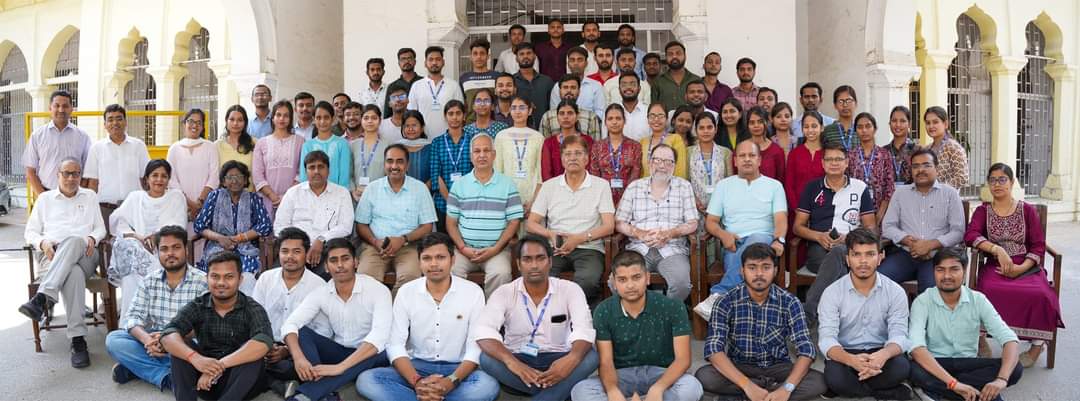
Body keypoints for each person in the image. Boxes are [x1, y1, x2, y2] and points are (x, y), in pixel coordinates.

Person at [357, 232, 500, 401]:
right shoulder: (406, 292)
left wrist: (450, 382)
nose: (434, 264)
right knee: (368, 380)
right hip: (416, 366)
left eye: (440, 257)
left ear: (452, 260)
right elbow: (395, 344)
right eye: (427, 258)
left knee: (487, 385)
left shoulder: (473, 292)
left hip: (458, 368)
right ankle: (429, 394)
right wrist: (417, 381)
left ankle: (426, 396)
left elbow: (475, 348)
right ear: (419, 262)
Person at [474, 235, 600, 401]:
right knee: (486, 358)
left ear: (550, 262)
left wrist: (571, 359)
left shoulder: (570, 289)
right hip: (519, 359)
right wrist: (512, 363)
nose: (534, 265)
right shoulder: (504, 292)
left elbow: (583, 329)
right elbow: (484, 331)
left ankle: (546, 392)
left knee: (590, 356)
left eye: (540, 258)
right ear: (518, 264)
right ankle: (558, 392)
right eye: (527, 259)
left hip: (559, 358)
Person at [694, 243, 826, 400]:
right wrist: (746, 384)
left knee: (819, 381)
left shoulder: (790, 302)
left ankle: (761, 394)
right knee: (705, 376)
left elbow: (806, 350)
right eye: (752, 267)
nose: (759, 274)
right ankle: (761, 392)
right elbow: (714, 350)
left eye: (766, 267)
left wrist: (787, 388)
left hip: (778, 367)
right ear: (742, 271)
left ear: (775, 270)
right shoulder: (726, 301)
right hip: (741, 366)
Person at [965, 163, 1064, 368]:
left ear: (1012, 182)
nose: (997, 184)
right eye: (993, 180)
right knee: (988, 291)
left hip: (1026, 265)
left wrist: (1022, 268)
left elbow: (1038, 245)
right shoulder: (983, 211)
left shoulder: (1026, 210)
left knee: (1041, 294)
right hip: (996, 265)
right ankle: (981, 337)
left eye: (1003, 179)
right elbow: (971, 235)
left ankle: (1037, 346)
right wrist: (997, 250)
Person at [570, 251, 703, 401]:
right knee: (581, 391)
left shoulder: (673, 307)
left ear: (647, 278)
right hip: (620, 375)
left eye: (636, 277)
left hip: (662, 373)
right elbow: (606, 361)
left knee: (691, 387)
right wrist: (613, 391)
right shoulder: (604, 310)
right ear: (614, 282)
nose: (630, 285)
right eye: (622, 279)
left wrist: (658, 388)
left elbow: (683, 360)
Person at [279, 238, 392, 401]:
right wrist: (298, 358)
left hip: (373, 355)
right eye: (333, 260)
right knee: (302, 333)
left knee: (381, 351)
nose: (340, 265)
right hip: (341, 352)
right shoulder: (322, 292)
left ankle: (307, 395)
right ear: (326, 266)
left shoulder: (377, 290)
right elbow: (290, 324)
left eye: (345, 259)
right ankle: (325, 393)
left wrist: (340, 368)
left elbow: (379, 339)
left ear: (356, 262)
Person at [18, 158, 105, 368]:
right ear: (58, 175)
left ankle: (43, 297)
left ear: (80, 176)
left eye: (76, 173)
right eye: (66, 173)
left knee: (75, 241)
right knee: (72, 273)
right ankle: (77, 340)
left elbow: (100, 228)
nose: (71, 178)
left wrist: (93, 238)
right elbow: (30, 232)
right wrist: (43, 242)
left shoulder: (90, 196)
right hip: (52, 256)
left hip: (85, 253)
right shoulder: (45, 199)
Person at [908, 247, 1024, 401]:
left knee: (1015, 369)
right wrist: (954, 384)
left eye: (954, 269)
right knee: (913, 370)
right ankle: (974, 392)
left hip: (968, 361)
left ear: (964, 271)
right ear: (934, 272)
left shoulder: (978, 299)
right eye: (940, 270)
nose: (947, 276)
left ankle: (938, 392)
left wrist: (1000, 380)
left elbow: (1009, 339)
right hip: (936, 362)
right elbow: (916, 348)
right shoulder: (923, 301)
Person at [160, 251, 273, 401]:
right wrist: (196, 359)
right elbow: (168, 334)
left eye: (229, 277)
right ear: (207, 278)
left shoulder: (252, 308)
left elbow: (264, 342)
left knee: (254, 356)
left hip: (239, 381)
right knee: (182, 345)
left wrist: (217, 367)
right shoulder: (198, 305)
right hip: (203, 379)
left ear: (240, 279)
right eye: (215, 276)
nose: (221, 282)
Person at [106, 225, 207, 391]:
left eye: (176, 248)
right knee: (114, 340)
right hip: (155, 342)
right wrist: (148, 340)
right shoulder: (149, 281)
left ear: (186, 250)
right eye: (164, 249)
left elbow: (206, 325)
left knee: (205, 350)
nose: (170, 254)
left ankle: (137, 368)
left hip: (186, 343)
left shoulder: (202, 281)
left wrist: (170, 339)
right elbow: (132, 317)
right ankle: (167, 377)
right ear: (157, 253)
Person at [817, 228, 913, 400]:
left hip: (880, 352)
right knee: (834, 374)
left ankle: (851, 390)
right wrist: (850, 360)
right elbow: (826, 339)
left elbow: (900, 335)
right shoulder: (832, 293)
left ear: (880, 257)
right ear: (847, 259)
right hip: (846, 353)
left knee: (901, 366)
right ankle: (883, 392)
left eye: (870, 254)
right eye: (856, 255)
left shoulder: (895, 291)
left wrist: (883, 355)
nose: (863, 261)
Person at [528, 134, 615, 304]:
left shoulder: (601, 185)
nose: (572, 158)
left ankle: (578, 318)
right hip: (556, 247)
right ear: (562, 159)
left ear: (587, 158)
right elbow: (531, 223)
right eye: (568, 154)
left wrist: (579, 238)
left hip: (588, 247)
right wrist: (550, 234)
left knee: (587, 282)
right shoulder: (549, 186)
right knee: (542, 278)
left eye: (578, 153)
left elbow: (609, 226)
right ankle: (552, 319)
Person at [250, 227, 329, 397]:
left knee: (304, 366)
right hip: (265, 345)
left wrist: (287, 349)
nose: (290, 257)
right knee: (245, 356)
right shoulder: (266, 278)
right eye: (285, 251)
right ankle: (276, 383)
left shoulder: (319, 285)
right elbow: (254, 317)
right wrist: (266, 346)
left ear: (306, 253)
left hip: (299, 350)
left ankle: (268, 379)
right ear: (279, 253)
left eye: (296, 251)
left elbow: (323, 330)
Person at [615, 144, 699, 301]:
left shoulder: (684, 186)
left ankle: (664, 318)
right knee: (616, 282)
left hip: (672, 248)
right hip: (639, 248)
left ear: (674, 165)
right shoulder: (634, 187)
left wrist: (669, 234)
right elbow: (619, 222)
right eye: (658, 160)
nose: (662, 166)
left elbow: (693, 222)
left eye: (668, 162)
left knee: (681, 284)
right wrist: (639, 233)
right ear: (649, 162)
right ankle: (638, 317)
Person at [705, 140, 788, 294]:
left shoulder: (774, 186)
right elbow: (710, 222)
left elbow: (781, 220)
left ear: (759, 160)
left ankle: (718, 295)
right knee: (736, 264)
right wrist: (723, 235)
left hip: (763, 242)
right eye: (742, 156)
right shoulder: (724, 185)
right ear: (735, 161)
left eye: (752, 155)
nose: (747, 159)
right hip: (733, 244)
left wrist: (778, 240)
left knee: (755, 239)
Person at [108, 160, 188, 316]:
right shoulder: (135, 197)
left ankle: (158, 319)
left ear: (168, 179)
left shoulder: (176, 197)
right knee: (132, 263)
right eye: (155, 175)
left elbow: (179, 226)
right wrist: (137, 236)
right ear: (146, 178)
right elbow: (117, 221)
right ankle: (131, 321)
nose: (159, 180)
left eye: (164, 176)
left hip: (165, 248)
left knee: (149, 261)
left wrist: (158, 236)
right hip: (137, 248)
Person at [879, 148, 966, 293]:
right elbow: (888, 227)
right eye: (916, 166)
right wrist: (911, 242)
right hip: (906, 254)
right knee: (878, 280)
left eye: (926, 165)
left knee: (931, 292)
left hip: (938, 257)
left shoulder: (950, 194)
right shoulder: (900, 193)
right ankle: (897, 315)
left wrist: (930, 245)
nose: (921, 170)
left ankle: (923, 316)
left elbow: (958, 232)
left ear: (937, 168)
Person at [447, 134, 523, 296]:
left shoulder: (507, 184)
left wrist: (495, 248)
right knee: (450, 271)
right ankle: (462, 316)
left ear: (494, 155)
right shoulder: (459, 185)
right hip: (464, 251)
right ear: (471, 156)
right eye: (477, 151)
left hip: (497, 251)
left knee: (501, 273)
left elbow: (514, 222)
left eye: (486, 150)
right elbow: (451, 223)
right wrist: (462, 247)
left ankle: (492, 317)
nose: (482, 155)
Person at [355, 144, 437, 293]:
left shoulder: (420, 189)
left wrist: (403, 239)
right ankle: (379, 314)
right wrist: (375, 241)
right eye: (390, 161)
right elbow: (361, 224)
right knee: (365, 280)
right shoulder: (372, 189)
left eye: (399, 161)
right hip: (375, 247)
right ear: (385, 163)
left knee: (411, 279)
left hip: (409, 247)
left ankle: (396, 314)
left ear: (407, 165)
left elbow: (427, 226)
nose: (394, 166)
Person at [792, 141, 877, 276]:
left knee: (842, 262)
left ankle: (816, 297)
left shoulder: (860, 187)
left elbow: (871, 227)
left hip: (851, 245)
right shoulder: (811, 188)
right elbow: (797, 226)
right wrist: (819, 236)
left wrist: (849, 238)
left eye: (838, 159)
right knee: (833, 264)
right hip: (819, 246)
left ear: (847, 162)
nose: (834, 163)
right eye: (829, 159)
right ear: (823, 163)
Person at [193, 161, 272, 293]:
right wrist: (220, 238)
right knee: (217, 270)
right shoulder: (214, 196)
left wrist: (240, 238)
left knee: (246, 276)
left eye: (239, 177)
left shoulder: (253, 198)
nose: (234, 181)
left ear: (245, 180)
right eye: (230, 177)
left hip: (245, 248)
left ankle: (244, 307)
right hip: (218, 247)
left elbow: (265, 225)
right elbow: (199, 225)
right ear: (224, 181)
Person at [274, 151, 355, 271]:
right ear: (305, 171)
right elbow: (280, 226)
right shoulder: (293, 193)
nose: (316, 171)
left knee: (324, 280)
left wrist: (321, 240)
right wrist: (300, 246)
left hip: (328, 249)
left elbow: (346, 226)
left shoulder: (342, 193)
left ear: (328, 170)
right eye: (312, 167)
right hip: (295, 249)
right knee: (277, 278)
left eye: (321, 167)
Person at [84, 104, 150, 234]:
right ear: (105, 124)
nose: (115, 123)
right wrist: (91, 210)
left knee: (135, 243)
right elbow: (93, 183)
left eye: (119, 118)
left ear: (125, 122)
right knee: (106, 247)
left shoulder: (138, 146)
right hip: (105, 208)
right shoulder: (96, 148)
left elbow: (146, 179)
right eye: (110, 119)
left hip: (133, 208)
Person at [23, 90, 91, 197]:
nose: (61, 109)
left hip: (74, 196)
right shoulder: (37, 136)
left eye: (65, 106)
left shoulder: (83, 137)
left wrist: (78, 194)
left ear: (71, 109)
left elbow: (88, 170)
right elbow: (30, 171)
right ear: (50, 108)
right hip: (46, 193)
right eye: (57, 105)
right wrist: (42, 196)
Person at [493, 97, 545, 219]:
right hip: (507, 198)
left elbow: (540, 175)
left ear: (530, 111)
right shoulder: (501, 136)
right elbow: (497, 171)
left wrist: (533, 203)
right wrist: (507, 202)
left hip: (532, 199)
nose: (518, 111)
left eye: (522, 107)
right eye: (514, 108)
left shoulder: (538, 137)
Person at [253, 100, 306, 218]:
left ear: (291, 119)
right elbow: (257, 175)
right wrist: (272, 196)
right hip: (266, 200)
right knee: (267, 233)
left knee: (290, 234)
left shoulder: (300, 141)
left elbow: (301, 172)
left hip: (293, 199)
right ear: (272, 118)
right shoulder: (261, 143)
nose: (282, 119)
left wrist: (286, 197)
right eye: (278, 115)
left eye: (286, 115)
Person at [167, 108, 219, 222]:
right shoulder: (174, 148)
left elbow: (214, 176)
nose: (194, 125)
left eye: (198, 122)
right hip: (180, 203)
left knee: (202, 235)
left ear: (202, 126)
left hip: (206, 203)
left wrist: (200, 202)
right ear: (184, 123)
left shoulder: (210, 147)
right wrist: (190, 204)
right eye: (191, 121)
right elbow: (171, 179)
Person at [428, 100, 472, 231]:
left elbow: (475, 172)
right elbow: (436, 175)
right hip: (443, 203)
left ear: (464, 116)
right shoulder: (437, 142)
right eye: (450, 113)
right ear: (445, 116)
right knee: (443, 242)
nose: (454, 117)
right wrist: (451, 202)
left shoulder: (473, 139)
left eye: (458, 113)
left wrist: (462, 201)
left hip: (468, 201)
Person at [588, 104, 643, 206]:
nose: (614, 122)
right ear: (605, 122)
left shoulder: (635, 146)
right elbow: (594, 176)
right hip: (602, 198)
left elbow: (635, 175)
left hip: (629, 199)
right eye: (610, 119)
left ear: (624, 121)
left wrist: (625, 200)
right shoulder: (597, 146)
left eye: (618, 118)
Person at [408, 46, 465, 139]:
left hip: (448, 139)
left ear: (443, 62)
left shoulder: (453, 85)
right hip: (422, 139)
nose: (434, 62)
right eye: (431, 59)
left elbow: (460, 114)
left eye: (438, 59)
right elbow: (411, 116)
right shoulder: (416, 86)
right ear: (425, 63)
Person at [848, 112, 895, 224]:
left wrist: (880, 215)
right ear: (855, 131)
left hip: (881, 211)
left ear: (875, 129)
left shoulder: (884, 154)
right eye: (860, 127)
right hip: (855, 211)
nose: (864, 130)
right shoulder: (850, 155)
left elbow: (889, 188)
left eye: (868, 126)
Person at [785, 111, 826, 231]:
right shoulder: (794, 154)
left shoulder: (827, 154)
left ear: (822, 127)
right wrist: (797, 209)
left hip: (822, 211)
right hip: (797, 211)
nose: (810, 130)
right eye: (806, 126)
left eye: (814, 126)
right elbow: (789, 184)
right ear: (802, 129)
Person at [688, 113, 733, 219]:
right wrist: (695, 200)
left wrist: (717, 205)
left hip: (721, 208)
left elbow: (730, 182)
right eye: (701, 128)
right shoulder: (688, 152)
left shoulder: (726, 152)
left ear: (715, 129)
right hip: (694, 207)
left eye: (709, 127)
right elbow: (685, 181)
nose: (706, 131)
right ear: (696, 130)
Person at [299, 101, 352, 188]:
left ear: (333, 118)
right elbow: (304, 177)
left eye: (326, 117)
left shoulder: (342, 144)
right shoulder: (307, 146)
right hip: (312, 196)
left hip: (336, 195)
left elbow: (344, 177)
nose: (322, 121)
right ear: (314, 119)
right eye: (318, 118)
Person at [540, 100, 597, 181]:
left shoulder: (587, 141)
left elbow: (590, 168)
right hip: (555, 189)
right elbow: (546, 173)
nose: (565, 117)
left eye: (570, 113)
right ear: (557, 117)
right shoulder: (549, 143)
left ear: (577, 116)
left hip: (583, 187)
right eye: (562, 113)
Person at [549, 47, 606, 119]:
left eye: (580, 60)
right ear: (568, 63)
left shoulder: (595, 86)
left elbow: (600, 113)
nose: (576, 63)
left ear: (586, 63)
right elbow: (554, 112)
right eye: (572, 60)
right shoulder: (558, 86)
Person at [540, 75, 602, 140]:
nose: (569, 90)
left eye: (573, 87)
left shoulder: (591, 117)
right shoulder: (547, 117)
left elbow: (595, 146)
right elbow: (544, 146)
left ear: (579, 92)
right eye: (565, 87)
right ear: (559, 91)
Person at [349, 104, 388, 201]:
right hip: (357, 196)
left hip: (380, 196)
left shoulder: (387, 146)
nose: (370, 121)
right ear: (361, 121)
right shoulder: (352, 145)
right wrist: (354, 190)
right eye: (366, 118)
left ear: (380, 121)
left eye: (374, 118)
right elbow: (349, 173)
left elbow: (389, 174)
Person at [513, 42, 556, 129]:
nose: (525, 56)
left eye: (529, 53)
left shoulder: (547, 81)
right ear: (516, 59)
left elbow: (552, 108)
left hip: (544, 129)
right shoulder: (511, 81)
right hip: (518, 129)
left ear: (535, 56)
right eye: (521, 54)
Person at [925, 106, 970, 190]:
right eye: (928, 123)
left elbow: (962, 177)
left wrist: (938, 189)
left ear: (945, 124)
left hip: (947, 199)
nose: (931, 126)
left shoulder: (953, 147)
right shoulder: (927, 149)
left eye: (935, 122)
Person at [640, 103, 689, 179]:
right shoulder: (643, 142)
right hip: (646, 188)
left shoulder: (675, 139)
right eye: (652, 116)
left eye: (660, 116)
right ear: (647, 119)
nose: (656, 119)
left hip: (670, 188)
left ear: (666, 119)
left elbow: (680, 171)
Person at [738, 106, 785, 182]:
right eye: (752, 122)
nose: (756, 125)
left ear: (767, 122)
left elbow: (780, 180)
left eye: (760, 122)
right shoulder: (740, 149)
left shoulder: (777, 151)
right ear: (747, 125)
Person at [651, 41, 700, 111]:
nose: (674, 56)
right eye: (670, 54)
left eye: (678, 53)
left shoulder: (696, 80)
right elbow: (654, 108)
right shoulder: (658, 82)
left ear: (685, 56)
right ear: (666, 57)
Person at [461, 38, 500, 122]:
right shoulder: (464, 78)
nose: (479, 57)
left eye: (482, 53)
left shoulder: (496, 76)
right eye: (475, 54)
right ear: (470, 57)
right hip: (470, 125)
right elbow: (463, 104)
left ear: (488, 56)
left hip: (493, 124)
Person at [216, 106, 256, 184]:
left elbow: (259, 173)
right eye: (232, 119)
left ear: (245, 122)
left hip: (249, 193)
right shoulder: (217, 146)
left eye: (240, 120)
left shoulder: (255, 143)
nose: (235, 123)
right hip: (223, 194)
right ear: (226, 121)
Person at [383, 47, 424, 118]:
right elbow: (388, 113)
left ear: (415, 61)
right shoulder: (392, 86)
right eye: (403, 59)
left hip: (421, 124)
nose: (406, 61)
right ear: (399, 63)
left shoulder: (424, 83)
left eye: (409, 58)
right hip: (399, 126)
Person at [612, 71, 650, 141]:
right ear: (619, 89)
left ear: (639, 89)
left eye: (632, 84)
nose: (628, 87)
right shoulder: (611, 113)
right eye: (624, 85)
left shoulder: (648, 112)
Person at [399, 110, 433, 184]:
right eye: (407, 126)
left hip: (425, 192)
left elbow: (435, 173)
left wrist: (424, 189)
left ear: (422, 128)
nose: (411, 129)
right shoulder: (398, 148)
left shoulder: (431, 148)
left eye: (414, 125)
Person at [822, 85, 859, 151]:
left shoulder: (861, 129)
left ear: (856, 103)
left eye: (849, 101)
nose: (845, 105)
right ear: (835, 105)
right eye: (840, 101)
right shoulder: (827, 131)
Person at [888, 105, 917, 184]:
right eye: (894, 121)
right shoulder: (883, 152)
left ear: (909, 124)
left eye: (902, 121)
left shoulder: (918, 151)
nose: (898, 125)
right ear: (889, 123)